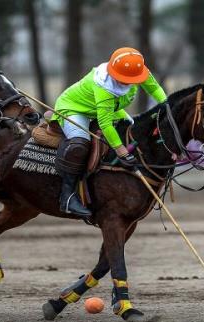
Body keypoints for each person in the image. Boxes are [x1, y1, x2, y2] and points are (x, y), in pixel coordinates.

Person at [51, 47, 168, 216]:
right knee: (80, 143)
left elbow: (154, 89)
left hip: (110, 107)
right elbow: (105, 123)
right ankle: (68, 197)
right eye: (124, 79)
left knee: (131, 126)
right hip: (74, 109)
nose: (128, 82)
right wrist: (122, 152)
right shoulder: (103, 86)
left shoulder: (136, 69)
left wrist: (167, 106)